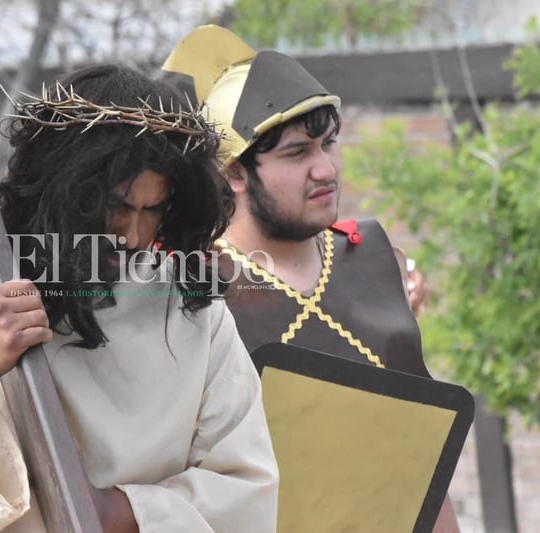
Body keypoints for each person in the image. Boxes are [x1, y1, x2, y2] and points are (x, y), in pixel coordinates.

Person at [0, 64, 279, 532]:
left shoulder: (193, 311)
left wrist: (126, 512)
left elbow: (248, 494)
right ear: (59, 192)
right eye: (115, 207)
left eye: (154, 210)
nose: (133, 236)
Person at [162, 25, 459, 532]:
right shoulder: (192, 284)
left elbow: (418, 451)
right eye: (297, 154)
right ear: (234, 171)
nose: (326, 169)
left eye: (329, 144)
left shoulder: (372, 254)